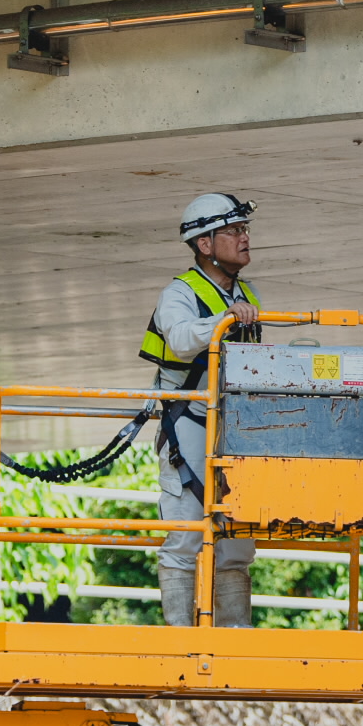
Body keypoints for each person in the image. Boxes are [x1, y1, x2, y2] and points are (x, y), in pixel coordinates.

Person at [136, 191, 262, 628]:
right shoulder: (180, 293)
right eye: (233, 231)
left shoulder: (246, 293)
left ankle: (235, 634)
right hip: (187, 424)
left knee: (236, 542)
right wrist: (227, 319)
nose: (244, 238)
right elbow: (182, 339)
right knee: (186, 532)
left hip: (233, 429)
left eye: (244, 229)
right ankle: (179, 635)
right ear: (204, 244)